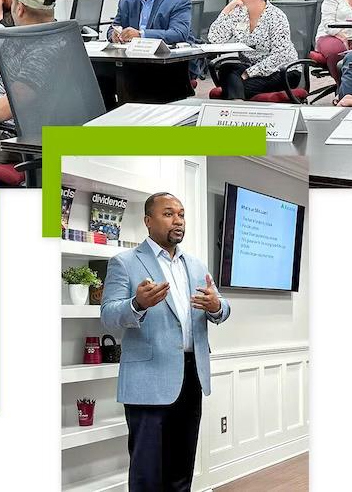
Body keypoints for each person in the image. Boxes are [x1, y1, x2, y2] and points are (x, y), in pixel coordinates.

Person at [101, 193, 230, 491]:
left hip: (191, 376)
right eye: (169, 214)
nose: (179, 220)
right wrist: (137, 304)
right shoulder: (125, 262)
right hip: (148, 382)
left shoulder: (196, 265)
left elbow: (222, 306)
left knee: (181, 469)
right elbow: (108, 315)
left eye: (182, 214)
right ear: (148, 221)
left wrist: (215, 307)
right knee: (148, 473)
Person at [0, 0, 58, 164]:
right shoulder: (16, 37)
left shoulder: (46, 50)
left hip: (6, 136)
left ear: (20, 8)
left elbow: (2, 110)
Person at [207, 0, 299, 99]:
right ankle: (237, 101)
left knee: (234, 88)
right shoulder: (238, 13)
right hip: (249, 67)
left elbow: (279, 56)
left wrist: (248, 73)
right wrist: (228, 8)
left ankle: (236, 102)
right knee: (226, 68)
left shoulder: (276, 16)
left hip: (281, 71)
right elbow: (214, 38)